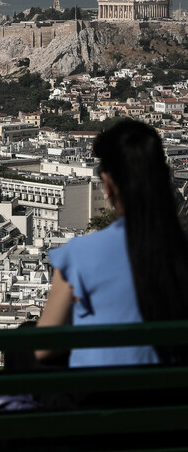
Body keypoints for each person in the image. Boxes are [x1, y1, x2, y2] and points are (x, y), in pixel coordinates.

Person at [37, 119, 188, 367]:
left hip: (99, 397)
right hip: (173, 397)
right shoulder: (180, 250)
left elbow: (43, 348)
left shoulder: (79, 254)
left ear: (108, 185)